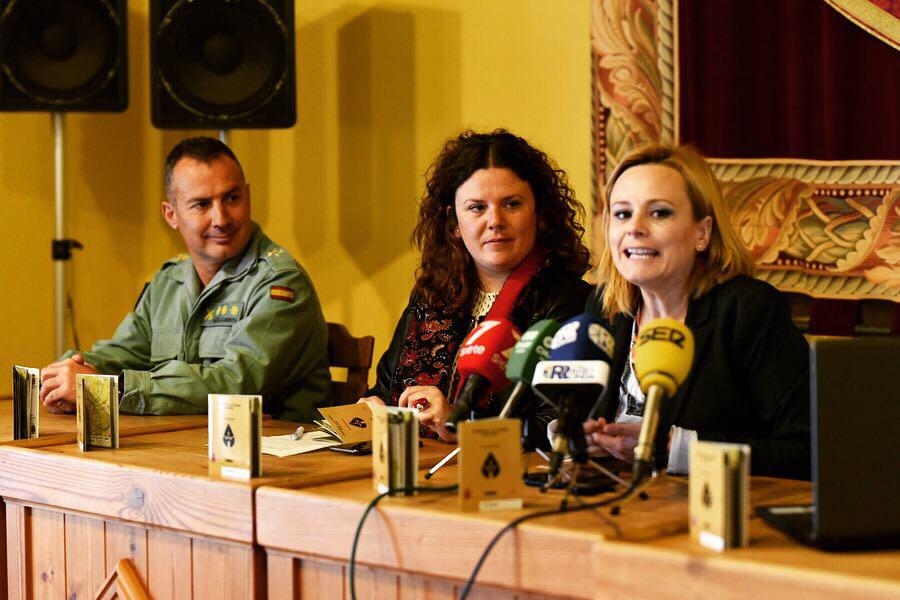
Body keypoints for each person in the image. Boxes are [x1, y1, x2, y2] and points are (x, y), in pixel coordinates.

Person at [39, 137, 330, 422]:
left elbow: (237, 383)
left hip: (276, 446)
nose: (221, 218)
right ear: (171, 214)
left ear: (248, 195)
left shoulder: (280, 283)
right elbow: (124, 353)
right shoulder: (169, 281)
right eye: (202, 204)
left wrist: (112, 389)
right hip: (188, 442)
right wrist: (70, 372)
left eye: (232, 198)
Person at [584, 142, 811, 479]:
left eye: (659, 213)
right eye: (622, 213)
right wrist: (580, 437)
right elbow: (583, 412)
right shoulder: (605, 308)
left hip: (710, 505)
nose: (635, 227)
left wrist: (672, 448)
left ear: (702, 233)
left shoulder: (749, 311)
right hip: (613, 501)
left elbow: (805, 451)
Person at [361, 129, 593, 445]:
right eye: (477, 207)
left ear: (539, 214)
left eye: (511, 204)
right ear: (454, 223)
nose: (495, 220)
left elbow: (557, 426)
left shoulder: (569, 300)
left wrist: (461, 425)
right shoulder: (431, 293)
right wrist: (372, 407)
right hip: (417, 465)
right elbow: (385, 391)